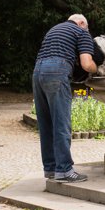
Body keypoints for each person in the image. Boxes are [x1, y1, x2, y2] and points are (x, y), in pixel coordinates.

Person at [33, 14, 97, 182]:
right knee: (61, 122)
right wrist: (97, 68)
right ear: (82, 23)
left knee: (46, 123)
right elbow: (86, 63)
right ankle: (65, 170)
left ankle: (51, 169)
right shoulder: (81, 32)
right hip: (57, 70)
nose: (87, 31)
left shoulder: (54, 30)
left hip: (38, 72)